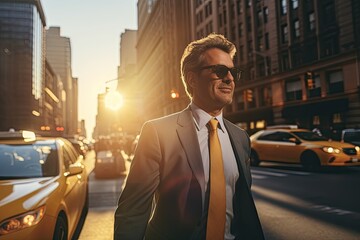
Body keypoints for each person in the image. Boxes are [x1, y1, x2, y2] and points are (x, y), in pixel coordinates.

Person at [114, 33, 264, 240]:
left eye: (232, 72)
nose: (229, 78)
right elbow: (133, 211)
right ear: (192, 78)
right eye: (220, 71)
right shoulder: (158, 132)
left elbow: (243, 208)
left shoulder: (241, 138)